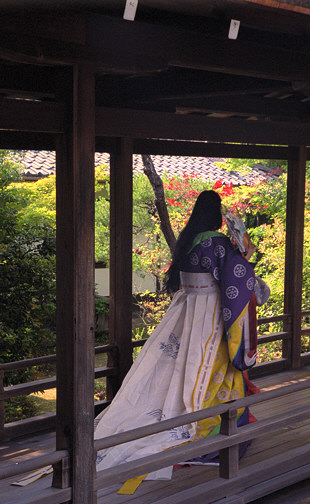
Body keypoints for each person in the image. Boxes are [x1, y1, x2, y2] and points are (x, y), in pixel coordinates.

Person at [95, 190, 260, 480]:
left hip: (186, 308)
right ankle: (207, 424)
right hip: (209, 310)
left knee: (180, 363)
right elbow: (238, 278)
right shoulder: (217, 242)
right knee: (210, 365)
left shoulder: (188, 239)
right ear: (216, 214)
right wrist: (246, 256)